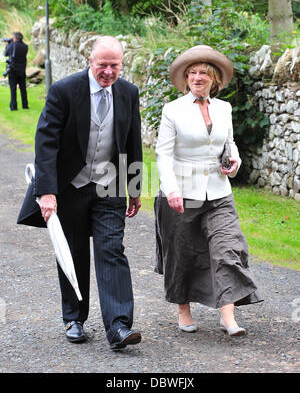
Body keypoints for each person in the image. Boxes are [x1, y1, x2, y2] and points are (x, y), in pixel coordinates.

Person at [17, 36, 143, 350]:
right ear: (90, 61)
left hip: (109, 185)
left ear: (121, 64)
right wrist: (46, 192)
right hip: (69, 188)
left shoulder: (128, 93)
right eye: (103, 65)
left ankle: (118, 327)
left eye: (115, 65)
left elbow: (132, 142)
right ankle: (74, 318)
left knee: (111, 250)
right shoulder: (64, 91)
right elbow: (46, 144)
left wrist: (134, 188)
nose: (109, 72)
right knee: (72, 253)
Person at [154, 45, 263, 337]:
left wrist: (235, 161)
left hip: (218, 193)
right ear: (186, 78)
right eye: (192, 73)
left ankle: (228, 317)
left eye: (203, 73)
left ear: (214, 78)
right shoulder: (172, 110)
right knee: (181, 254)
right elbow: (163, 155)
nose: (197, 77)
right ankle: (183, 308)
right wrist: (171, 189)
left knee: (228, 250)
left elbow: (230, 144)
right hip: (181, 194)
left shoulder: (224, 109)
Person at [4, 31, 28, 111]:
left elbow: (5, 53)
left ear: (16, 38)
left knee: (13, 89)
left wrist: (7, 45)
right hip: (22, 70)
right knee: (23, 89)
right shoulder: (25, 46)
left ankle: (13, 106)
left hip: (13, 70)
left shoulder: (12, 45)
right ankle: (25, 105)